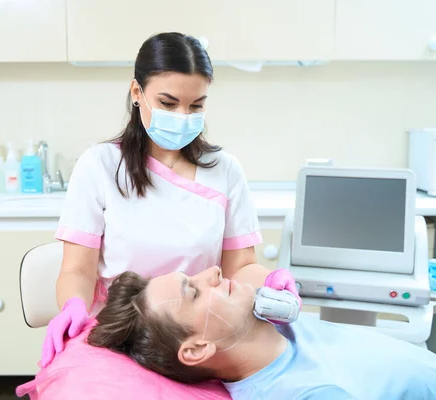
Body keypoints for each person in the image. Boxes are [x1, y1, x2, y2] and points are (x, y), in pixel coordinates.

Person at [40, 31, 301, 368]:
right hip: (119, 336)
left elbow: (240, 268)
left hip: (197, 341)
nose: (182, 116)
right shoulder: (100, 166)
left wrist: (268, 280)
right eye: (167, 103)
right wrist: (73, 306)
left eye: (196, 105)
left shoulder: (225, 171)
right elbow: (77, 269)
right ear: (137, 92)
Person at [87, 266, 436, 400]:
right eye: (194, 290)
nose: (214, 274)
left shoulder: (275, 324)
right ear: (197, 348)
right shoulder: (300, 393)